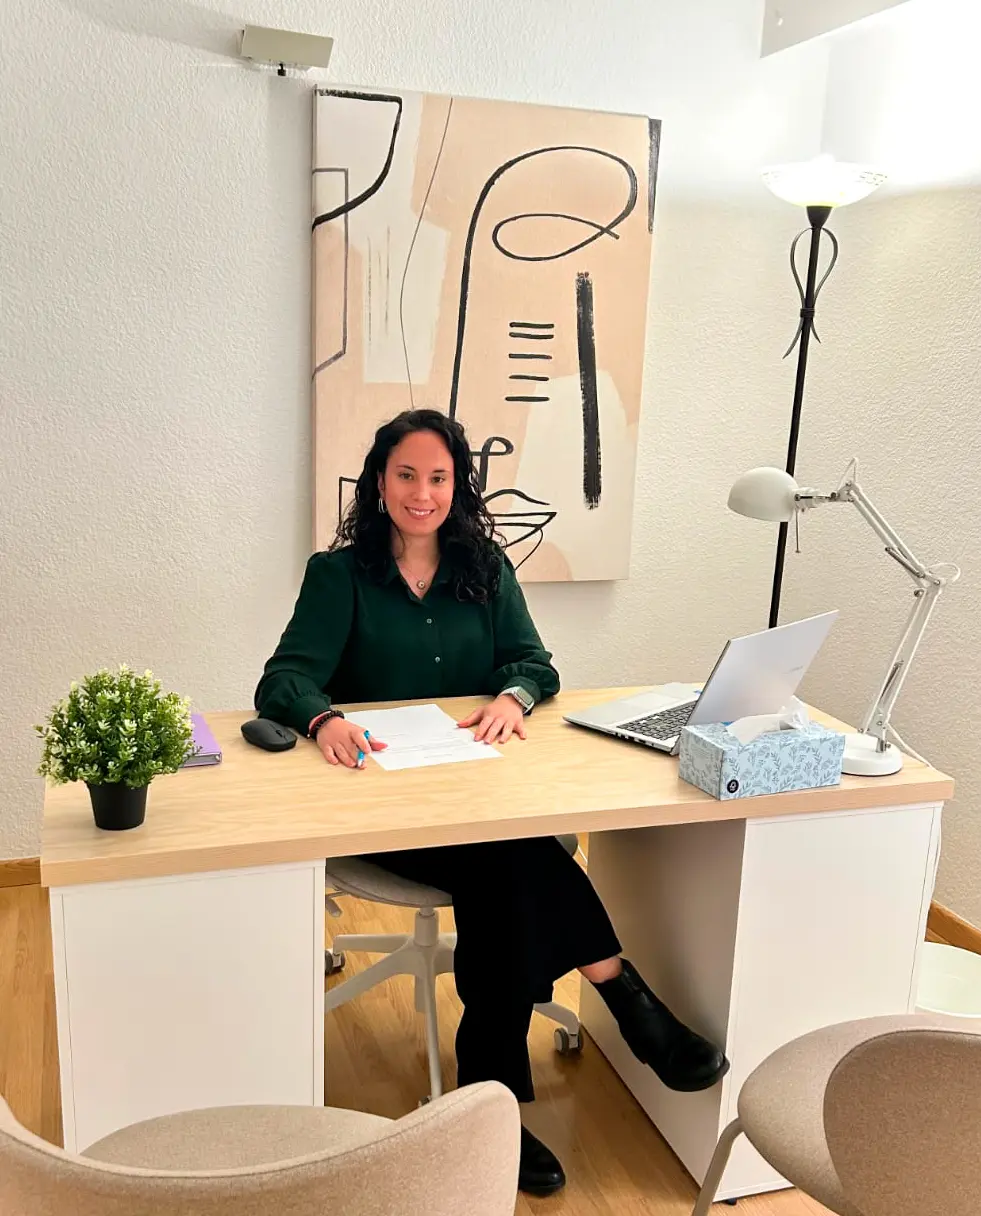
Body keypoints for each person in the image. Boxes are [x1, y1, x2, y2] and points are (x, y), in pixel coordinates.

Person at [255, 408, 728, 1196]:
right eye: (406, 475)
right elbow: (283, 678)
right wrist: (324, 718)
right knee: (513, 863)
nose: (422, 493)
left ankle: (490, 1103)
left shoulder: (485, 567)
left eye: (438, 477)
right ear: (379, 482)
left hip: (474, 796)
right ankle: (618, 994)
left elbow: (534, 663)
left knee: (503, 869)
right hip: (382, 804)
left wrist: (513, 695)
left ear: (458, 486)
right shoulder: (338, 576)